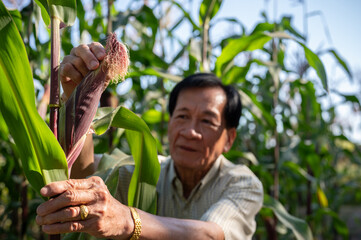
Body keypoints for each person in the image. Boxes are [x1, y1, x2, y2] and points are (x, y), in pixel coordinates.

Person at [36, 43, 263, 239]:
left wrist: (126, 220)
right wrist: (76, 95)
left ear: (229, 139)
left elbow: (212, 235)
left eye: (207, 121)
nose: (190, 132)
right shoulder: (145, 170)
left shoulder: (241, 184)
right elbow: (85, 174)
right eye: (182, 116)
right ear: (170, 121)